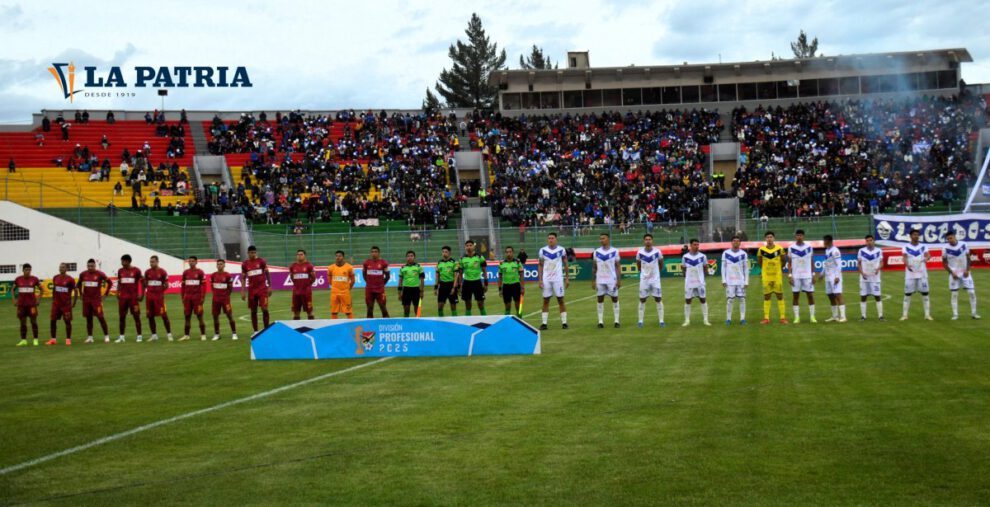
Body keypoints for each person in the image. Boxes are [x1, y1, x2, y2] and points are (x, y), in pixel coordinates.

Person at [943, 231, 980, 320]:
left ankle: (974, 313)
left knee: (971, 293)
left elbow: (968, 258)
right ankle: (955, 314)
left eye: (951, 238)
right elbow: (944, 263)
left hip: (965, 273)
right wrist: (952, 273)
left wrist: (967, 270)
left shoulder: (963, 244)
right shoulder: (945, 248)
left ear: (955, 237)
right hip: (954, 274)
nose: (949, 240)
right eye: (948, 239)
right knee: (954, 294)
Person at [538, 232, 569, 330]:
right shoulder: (542, 250)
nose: (550, 240)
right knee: (546, 300)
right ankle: (544, 323)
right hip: (546, 279)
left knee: (560, 300)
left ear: (556, 239)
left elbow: (565, 264)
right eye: (549, 238)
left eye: (552, 238)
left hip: (558, 279)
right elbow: (540, 265)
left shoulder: (562, 250)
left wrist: (567, 278)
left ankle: (564, 323)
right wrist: (540, 280)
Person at [900, 229, 933, 321]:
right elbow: (904, 258)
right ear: (910, 236)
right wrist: (907, 265)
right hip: (910, 274)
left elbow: (928, 255)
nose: (916, 236)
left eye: (917, 234)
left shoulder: (923, 246)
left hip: (922, 274)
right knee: (907, 295)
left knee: (925, 294)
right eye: (914, 234)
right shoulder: (905, 247)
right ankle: (905, 315)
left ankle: (927, 315)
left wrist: (927, 258)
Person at [757, 232, 788, 324]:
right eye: (767, 237)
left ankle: (782, 318)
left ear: (774, 238)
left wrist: (778, 269)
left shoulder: (780, 249)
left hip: (777, 276)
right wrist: (764, 271)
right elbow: (760, 262)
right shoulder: (761, 250)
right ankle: (766, 318)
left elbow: (783, 260)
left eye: (771, 237)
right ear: (765, 239)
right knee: (767, 296)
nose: (769, 239)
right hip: (766, 277)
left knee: (780, 295)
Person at [78, 259, 111, 343]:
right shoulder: (83, 274)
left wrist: (106, 294)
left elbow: (110, 283)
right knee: (88, 319)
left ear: (95, 266)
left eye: (92, 266)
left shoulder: (100, 274)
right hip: (86, 300)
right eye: (88, 266)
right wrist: (81, 294)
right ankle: (90, 337)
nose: (90, 267)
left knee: (100, 317)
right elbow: (78, 284)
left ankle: (106, 336)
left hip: (96, 300)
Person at [592, 233, 621, 328]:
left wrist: (619, 279)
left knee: (615, 299)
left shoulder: (615, 251)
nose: (601, 240)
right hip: (600, 280)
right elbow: (594, 267)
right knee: (600, 299)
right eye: (600, 238)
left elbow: (617, 266)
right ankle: (600, 321)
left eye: (603, 238)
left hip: (611, 280)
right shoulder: (596, 252)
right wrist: (593, 280)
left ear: (608, 239)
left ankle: (616, 321)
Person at [786, 230, 816, 324]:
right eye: (797, 235)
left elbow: (812, 261)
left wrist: (813, 274)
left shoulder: (809, 247)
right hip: (796, 276)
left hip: (807, 276)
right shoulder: (791, 248)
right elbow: (789, 263)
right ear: (795, 236)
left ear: (804, 236)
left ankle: (812, 316)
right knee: (795, 296)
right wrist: (790, 275)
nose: (799, 237)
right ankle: (796, 317)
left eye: (801, 235)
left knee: (810, 295)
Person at [241, 245, 272, 334]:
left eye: (254, 252)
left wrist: (269, 286)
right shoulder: (245, 264)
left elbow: (267, 273)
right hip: (252, 290)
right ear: (248, 253)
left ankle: (266, 330)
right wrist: (242, 291)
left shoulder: (261, 261)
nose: (253, 254)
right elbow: (243, 278)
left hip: (262, 289)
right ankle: (255, 331)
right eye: (251, 253)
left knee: (264, 308)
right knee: (253, 310)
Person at [636, 233, 664, 328]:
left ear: (652, 241)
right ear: (644, 241)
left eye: (649, 239)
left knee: (658, 299)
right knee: (642, 299)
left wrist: (656, 274)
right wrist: (644, 274)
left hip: (655, 280)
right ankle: (640, 321)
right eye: (646, 239)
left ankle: (661, 321)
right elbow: (638, 265)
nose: (648, 241)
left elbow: (661, 264)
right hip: (644, 280)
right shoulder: (640, 253)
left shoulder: (657, 252)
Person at [144, 255, 173, 341]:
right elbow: (145, 284)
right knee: (150, 316)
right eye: (150, 262)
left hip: (159, 298)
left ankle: (169, 334)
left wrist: (160, 292)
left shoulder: (163, 272)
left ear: (157, 262)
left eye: (153, 262)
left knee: (164, 316)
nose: (151, 263)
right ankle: (154, 335)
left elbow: (166, 285)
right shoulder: (147, 272)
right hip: (149, 298)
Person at [681, 239, 711, 326]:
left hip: (700, 283)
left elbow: (705, 268)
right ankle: (687, 320)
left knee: (703, 300)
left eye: (698, 244)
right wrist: (687, 278)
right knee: (688, 301)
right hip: (689, 283)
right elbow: (683, 269)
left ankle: (706, 320)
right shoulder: (685, 257)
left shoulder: (703, 256)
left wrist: (702, 279)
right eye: (695, 244)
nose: (696, 246)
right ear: (690, 245)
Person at [721, 236, 749, 325]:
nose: (736, 242)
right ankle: (728, 319)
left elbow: (746, 268)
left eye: (737, 241)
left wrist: (746, 281)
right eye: (734, 241)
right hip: (730, 281)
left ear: (740, 243)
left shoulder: (743, 254)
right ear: (731, 242)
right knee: (730, 300)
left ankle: (742, 319)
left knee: (742, 300)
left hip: (740, 281)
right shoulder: (726, 253)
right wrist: (723, 280)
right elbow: (723, 267)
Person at [116, 254, 144, 342]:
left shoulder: (136, 270)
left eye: (123, 261)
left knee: (136, 317)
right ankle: (121, 337)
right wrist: (117, 291)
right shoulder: (120, 271)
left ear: (128, 261)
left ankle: (139, 336)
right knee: (121, 317)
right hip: (123, 298)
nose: (121, 263)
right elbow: (119, 282)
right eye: (121, 261)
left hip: (133, 299)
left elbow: (143, 282)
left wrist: (142, 294)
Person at [818, 235, 846, 323]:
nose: (823, 242)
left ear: (828, 241)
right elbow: (827, 263)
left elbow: (839, 264)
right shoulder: (827, 251)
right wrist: (822, 273)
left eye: (824, 241)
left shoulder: (835, 251)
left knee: (838, 295)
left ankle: (843, 317)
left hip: (834, 277)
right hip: (828, 277)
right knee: (830, 296)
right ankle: (835, 316)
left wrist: (837, 276)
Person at [857, 235, 885, 321]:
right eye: (867, 241)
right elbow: (858, 264)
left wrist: (878, 269)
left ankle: (880, 316)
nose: (869, 242)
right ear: (865, 242)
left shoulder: (879, 251)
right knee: (863, 296)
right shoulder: (861, 251)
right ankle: (863, 316)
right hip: (864, 278)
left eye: (870, 240)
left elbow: (882, 263)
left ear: (874, 241)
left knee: (877, 296)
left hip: (875, 278)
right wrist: (862, 273)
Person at [179, 256, 207, 341]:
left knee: (199, 316)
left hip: (197, 298)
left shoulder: (200, 272)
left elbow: (204, 286)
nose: (190, 262)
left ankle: (203, 334)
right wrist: (182, 297)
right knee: (187, 316)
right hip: (187, 298)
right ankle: (186, 335)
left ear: (196, 262)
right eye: (189, 261)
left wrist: (202, 297)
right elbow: (183, 286)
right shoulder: (185, 272)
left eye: (192, 261)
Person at [48, 262, 77, 345]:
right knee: (52, 320)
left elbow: (75, 290)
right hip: (56, 304)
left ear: (66, 269)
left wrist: (74, 303)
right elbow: (54, 289)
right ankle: (53, 339)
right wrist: (53, 299)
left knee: (67, 322)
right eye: (60, 267)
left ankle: (68, 339)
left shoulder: (70, 279)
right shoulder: (55, 277)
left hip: (66, 305)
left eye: (63, 267)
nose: (61, 269)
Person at [457, 240, 488, 316]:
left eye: (470, 245)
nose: (469, 247)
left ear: (474, 247)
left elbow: (484, 271)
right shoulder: (462, 259)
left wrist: (486, 283)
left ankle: (486, 320)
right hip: (467, 283)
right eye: (467, 246)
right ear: (465, 247)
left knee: (480, 303)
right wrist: (459, 286)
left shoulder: (480, 257)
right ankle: (468, 322)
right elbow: (460, 274)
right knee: (467, 304)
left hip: (477, 282)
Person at [210, 259, 238, 340]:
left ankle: (234, 333)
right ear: (216, 265)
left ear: (224, 265)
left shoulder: (228, 275)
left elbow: (230, 288)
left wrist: (226, 296)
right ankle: (217, 334)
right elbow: (212, 287)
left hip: (225, 299)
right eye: (218, 264)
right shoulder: (213, 275)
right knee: (215, 316)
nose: (219, 265)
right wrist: (216, 294)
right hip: (215, 299)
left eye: (221, 264)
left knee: (229, 315)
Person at [13, 264, 41, 346]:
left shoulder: (35, 279)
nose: (28, 271)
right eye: (26, 269)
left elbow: (41, 290)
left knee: (33, 322)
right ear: (23, 270)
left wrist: (38, 299)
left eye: (29, 269)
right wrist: (14, 300)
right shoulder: (18, 279)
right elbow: (12, 290)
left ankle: (35, 339)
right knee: (22, 322)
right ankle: (23, 340)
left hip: (32, 305)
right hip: (21, 305)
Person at [362, 246, 390, 318]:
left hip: (380, 290)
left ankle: (387, 326)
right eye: (372, 252)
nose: (374, 253)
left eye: (375, 252)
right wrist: (369, 283)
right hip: (369, 290)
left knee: (383, 308)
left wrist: (381, 284)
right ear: (370, 253)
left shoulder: (383, 263)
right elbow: (364, 275)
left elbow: (387, 276)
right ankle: (370, 328)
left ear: (379, 253)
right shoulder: (366, 263)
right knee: (369, 309)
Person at [328, 250, 356, 319]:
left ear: (343, 257)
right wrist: (335, 288)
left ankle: (352, 327)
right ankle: (335, 328)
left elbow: (353, 280)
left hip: (345, 293)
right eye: (336, 256)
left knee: (348, 311)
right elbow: (330, 280)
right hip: (334, 293)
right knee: (334, 312)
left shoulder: (349, 267)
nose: (338, 257)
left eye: (340, 256)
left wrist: (347, 289)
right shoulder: (330, 268)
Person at [289, 249, 316, 320]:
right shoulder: (293, 266)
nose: (299, 256)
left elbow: (313, 278)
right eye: (298, 254)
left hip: (306, 292)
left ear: (305, 255)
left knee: (309, 311)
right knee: (296, 312)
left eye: (301, 254)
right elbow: (292, 277)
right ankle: (296, 329)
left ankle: (311, 329)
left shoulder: (309, 265)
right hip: (296, 292)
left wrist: (308, 285)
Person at [498, 246, 524, 316]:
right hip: (506, 287)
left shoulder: (517, 262)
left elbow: (521, 275)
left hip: (516, 286)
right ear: (505, 253)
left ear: (513, 253)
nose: (508, 253)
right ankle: (507, 323)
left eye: (510, 252)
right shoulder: (501, 263)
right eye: (507, 252)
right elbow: (500, 277)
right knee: (507, 306)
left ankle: (520, 321)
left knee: (518, 305)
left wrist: (522, 287)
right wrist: (500, 289)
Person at [398, 250, 425, 317]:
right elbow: (400, 280)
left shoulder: (419, 267)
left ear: (414, 257)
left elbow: (422, 280)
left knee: (417, 309)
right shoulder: (403, 268)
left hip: (416, 290)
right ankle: (407, 324)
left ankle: (418, 323)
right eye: (408, 256)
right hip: (406, 290)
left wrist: (421, 291)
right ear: (406, 257)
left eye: (411, 256)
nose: (410, 257)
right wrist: (399, 292)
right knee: (406, 309)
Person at [435, 246, 459, 317]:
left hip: (451, 285)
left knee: (453, 306)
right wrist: (436, 287)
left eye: (446, 252)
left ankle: (455, 322)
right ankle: (441, 323)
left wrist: (454, 288)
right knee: (440, 306)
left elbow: (456, 276)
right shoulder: (439, 263)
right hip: (442, 286)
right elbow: (437, 276)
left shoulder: (454, 262)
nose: (444, 253)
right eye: (443, 252)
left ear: (449, 253)